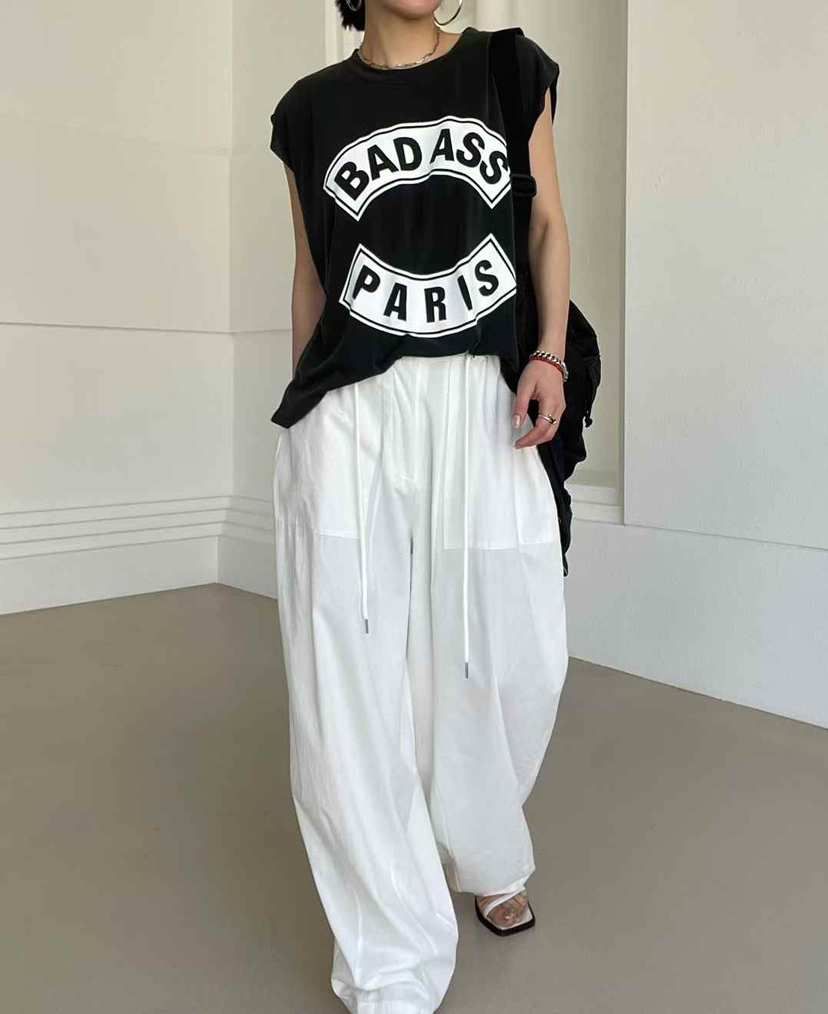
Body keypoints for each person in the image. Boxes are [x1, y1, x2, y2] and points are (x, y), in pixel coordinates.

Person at [269, 2, 570, 1011]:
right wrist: (305, 406)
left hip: (478, 397)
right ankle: (392, 956)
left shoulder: (507, 69)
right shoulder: (309, 109)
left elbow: (545, 224)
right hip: (351, 407)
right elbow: (312, 274)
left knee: (513, 649)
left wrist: (548, 354)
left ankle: (483, 844)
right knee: (348, 678)